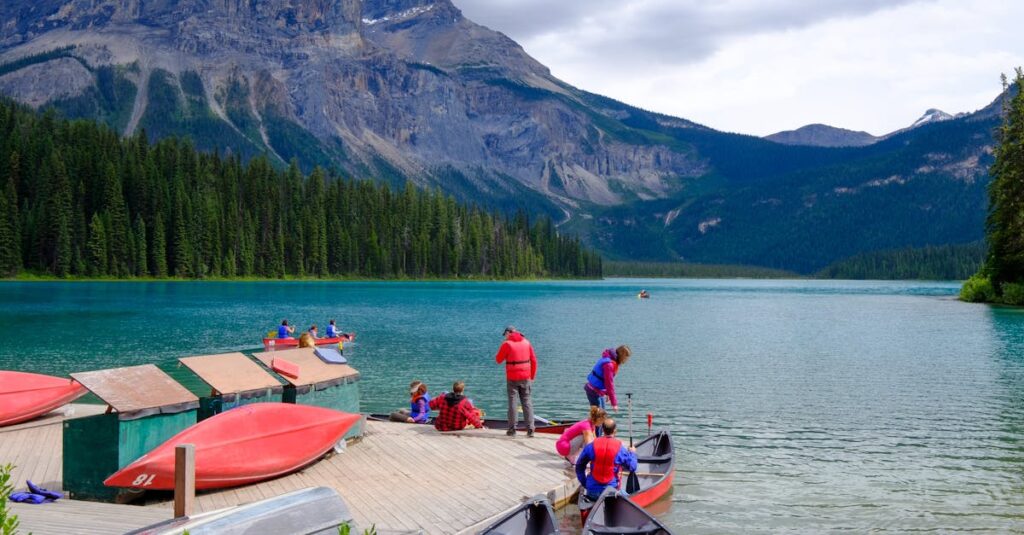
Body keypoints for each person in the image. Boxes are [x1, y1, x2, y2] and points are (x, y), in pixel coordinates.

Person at [575, 418, 638, 500]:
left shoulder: (591, 445)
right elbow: (632, 467)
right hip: (610, 492)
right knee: (632, 498)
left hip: (592, 491)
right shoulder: (620, 448)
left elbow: (579, 466)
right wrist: (632, 453)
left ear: (602, 429)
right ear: (615, 431)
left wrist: (585, 483)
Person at [495, 325, 537, 437]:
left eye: (505, 334)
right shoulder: (527, 342)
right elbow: (533, 360)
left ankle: (512, 429)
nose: (505, 337)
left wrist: (503, 346)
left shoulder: (507, 344)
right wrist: (532, 377)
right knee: (527, 402)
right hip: (526, 376)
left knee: (512, 402)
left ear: (508, 333)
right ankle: (530, 429)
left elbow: (498, 360)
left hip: (512, 377)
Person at [584, 345, 632, 411]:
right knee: (599, 417)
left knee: (602, 415)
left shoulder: (609, 359)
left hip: (597, 390)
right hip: (593, 391)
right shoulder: (609, 365)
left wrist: (607, 393)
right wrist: (614, 404)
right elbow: (609, 384)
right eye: (626, 357)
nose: (626, 360)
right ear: (622, 355)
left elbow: (605, 380)